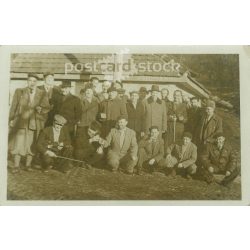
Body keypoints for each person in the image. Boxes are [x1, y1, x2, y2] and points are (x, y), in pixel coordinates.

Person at [8, 73, 50, 173]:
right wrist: (11, 119)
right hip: (20, 123)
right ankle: (16, 166)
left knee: (31, 144)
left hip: (34, 123)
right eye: (30, 81)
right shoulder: (20, 91)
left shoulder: (42, 93)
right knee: (18, 144)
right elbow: (14, 106)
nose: (32, 83)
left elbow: (47, 108)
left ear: (37, 83)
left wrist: (41, 109)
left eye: (34, 81)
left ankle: (28, 165)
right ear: (27, 81)